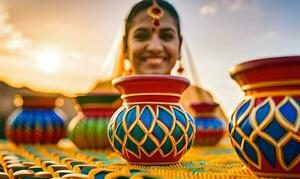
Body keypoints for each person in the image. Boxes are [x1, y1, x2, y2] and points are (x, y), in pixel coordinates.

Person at [92, 0, 228, 123]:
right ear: (125, 47)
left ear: (179, 47)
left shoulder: (203, 99)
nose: (154, 47)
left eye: (167, 36)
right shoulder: (100, 95)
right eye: (141, 36)